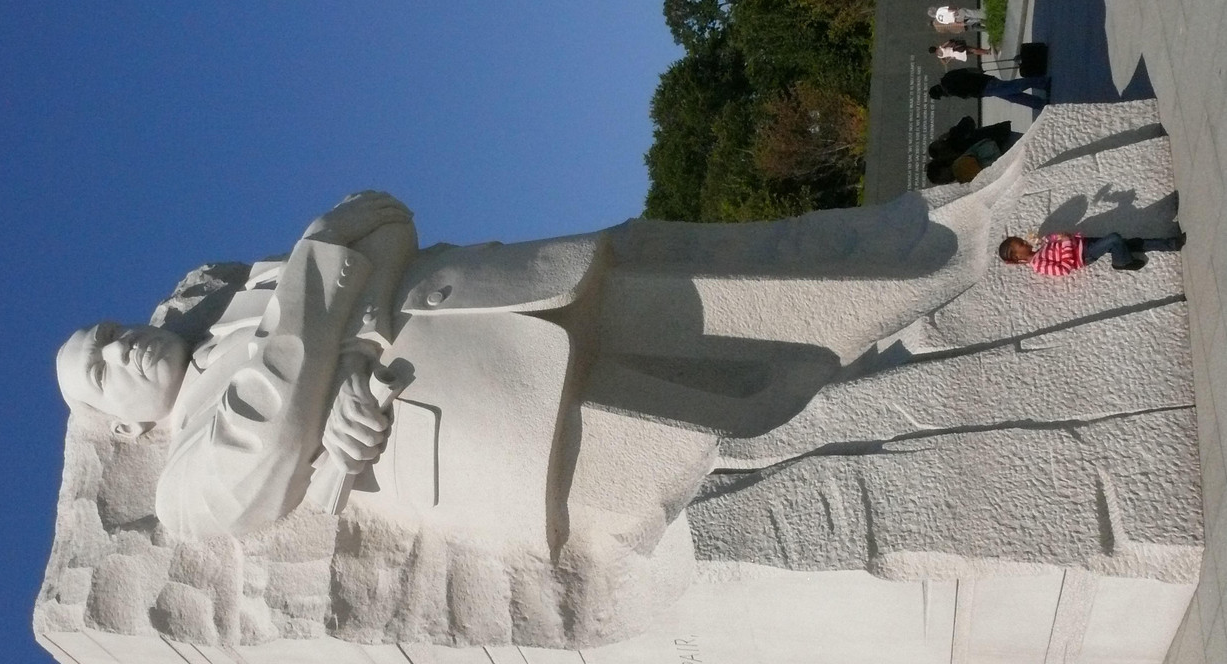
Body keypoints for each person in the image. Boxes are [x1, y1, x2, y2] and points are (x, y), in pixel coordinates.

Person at [58, 189, 987, 548]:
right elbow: (259, 453)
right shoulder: (180, 493)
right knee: (764, 436)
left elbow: (371, 215)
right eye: (100, 372)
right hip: (492, 433)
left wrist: (343, 343)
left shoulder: (242, 292)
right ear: (124, 425)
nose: (117, 350)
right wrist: (322, 284)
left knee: (787, 298)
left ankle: (978, 262)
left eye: (105, 333)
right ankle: (969, 415)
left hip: (528, 288)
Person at [998, 229, 1186, 275]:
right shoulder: (1038, 265)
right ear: (1017, 256)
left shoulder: (1040, 248)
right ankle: (1120, 263)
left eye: (1021, 240)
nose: (1025, 242)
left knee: (1127, 243)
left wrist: (1056, 237)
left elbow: (1054, 240)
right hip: (1084, 255)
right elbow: (1064, 268)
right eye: (1021, 244)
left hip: (1084, 242)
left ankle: (1171, 244)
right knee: (1114, 239)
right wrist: (1066, 243)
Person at [928, 69, 1050, 112]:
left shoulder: (950, 89)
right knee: (1013, 96)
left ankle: (1042, 83)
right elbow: (967, 70)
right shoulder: (948, 75)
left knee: (1014, 87)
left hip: (984, 88)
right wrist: (979, 72)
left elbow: (966, 95)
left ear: (940, 93)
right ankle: (1039, 103)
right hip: (985, 80)